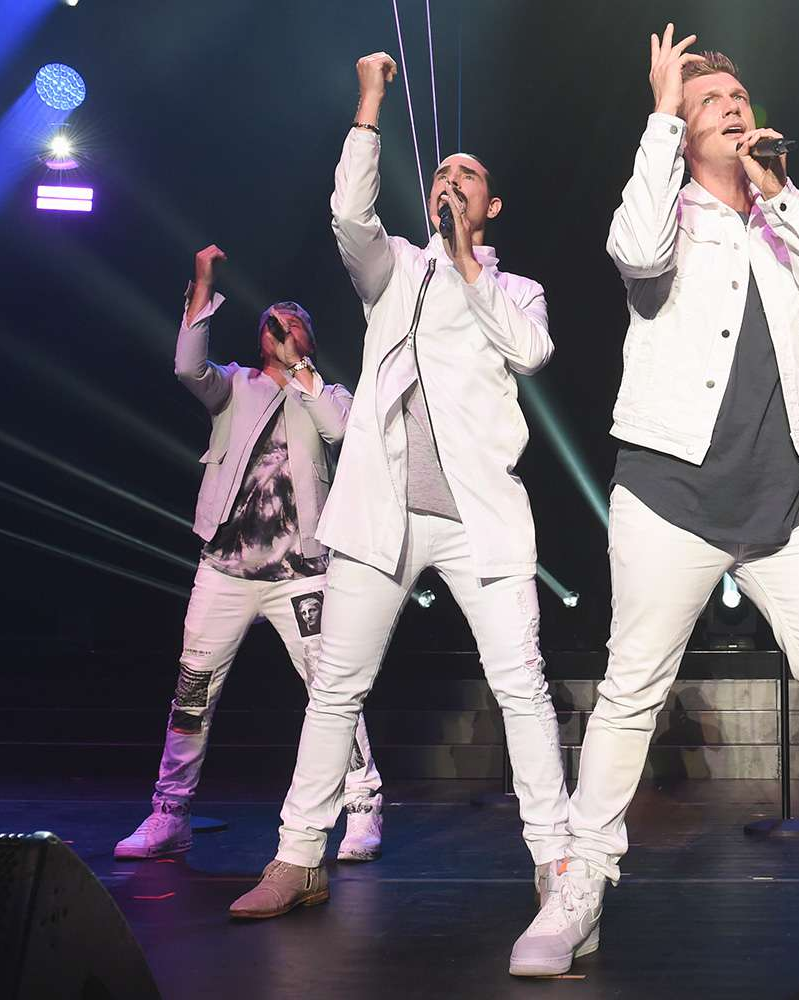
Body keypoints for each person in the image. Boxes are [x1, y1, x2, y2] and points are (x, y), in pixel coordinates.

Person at [508, 25, 799, 979]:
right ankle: (579, 885)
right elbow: (633, 251)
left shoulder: (784, 220)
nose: (732, 108)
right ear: (682, 127)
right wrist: (660, 116)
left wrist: (783, 196)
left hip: (790, 498)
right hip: (670, 492)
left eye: (739, 99)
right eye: (710, 101)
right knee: (631, 690)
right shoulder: (665, 209)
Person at [228, 51, 569, 918]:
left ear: (491, 207)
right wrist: (370, 105)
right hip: (382, 514)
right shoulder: (395, 270)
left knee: (520, 685)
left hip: (478, 517)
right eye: (443, 174)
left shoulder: (514, 288)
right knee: (335, 687)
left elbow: (530, 352)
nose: (451, 181)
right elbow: (349, 215)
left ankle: (555, 859)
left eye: (468, 177)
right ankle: (298, 856)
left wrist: (466, 261)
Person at [114, 245, 381, 863]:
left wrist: (302, 369)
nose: (280, 324)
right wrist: (202, 286)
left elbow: (341, 430)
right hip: (225, 569)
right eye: (272, 320)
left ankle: (363, 808)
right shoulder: (235, 384)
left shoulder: (329, 394)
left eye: (293, 321)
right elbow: (187, 366)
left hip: (302, 572)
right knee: (193, 690)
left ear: (307, 338)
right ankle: (169, 813)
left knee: (332, 689)